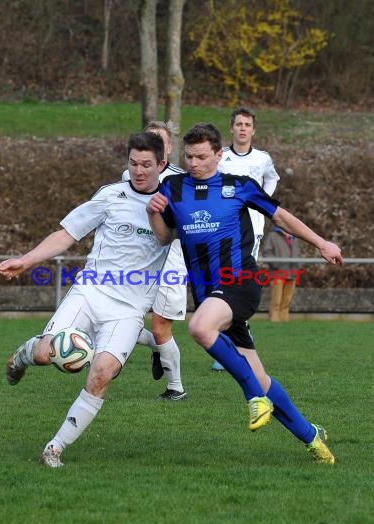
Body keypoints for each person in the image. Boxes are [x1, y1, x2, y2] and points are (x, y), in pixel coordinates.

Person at [147, 122, 343, 464]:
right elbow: (165, 237)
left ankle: (253, 396)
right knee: (261, 375)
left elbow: (281, 217)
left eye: (202, 157)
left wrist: (321, 243)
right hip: (208, 293)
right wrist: (153, 215)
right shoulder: (173, 188)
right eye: (189, 156)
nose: (193, 163)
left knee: (199, 328)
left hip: (240, 281)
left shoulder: (239, 186)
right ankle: (312, 438)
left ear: (219, 155)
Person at [0, 132, 171, 468]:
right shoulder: (110, 196)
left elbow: (178, 238)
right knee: (47, 354)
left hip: (130, 308)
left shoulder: (171, 204)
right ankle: (24, 355)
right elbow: (67, 234)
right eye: (133, 163)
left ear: (162, 164)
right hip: (90, 292)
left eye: (147, 164)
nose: (139, 170)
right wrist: (27, 260)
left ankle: (55, 448)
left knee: (102, 373)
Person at [211, 106, 280, 371]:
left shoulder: (262, 159)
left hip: (253, 227)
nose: (242, 128)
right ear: (231, 128)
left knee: (240, 279)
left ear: (253, 130)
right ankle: (228, 339)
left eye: (247, 125)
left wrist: (262, 201)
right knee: (220, 278)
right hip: (222, 227)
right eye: (238, 124)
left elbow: (273, 179)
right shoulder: (220, 157)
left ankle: (234, 340)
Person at [122, 121, 187, 400]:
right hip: (136, 261)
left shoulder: (183, 181)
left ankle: (176, 388)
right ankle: (155, 349)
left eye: (159, 142)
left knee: (161, 327)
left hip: (172, 260)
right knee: (120, 320)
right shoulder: (130, 177)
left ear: (168, 149)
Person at [262, 226, 301, 322]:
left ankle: (284, 322)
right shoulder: (273, 235)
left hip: (292, 273)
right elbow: (266, 252)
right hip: (277, 273)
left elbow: (297, 252)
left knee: (287, 301)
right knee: (276, 300)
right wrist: (277, 264)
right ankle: (274, 321)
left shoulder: (294, 237)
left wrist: (298, 264)